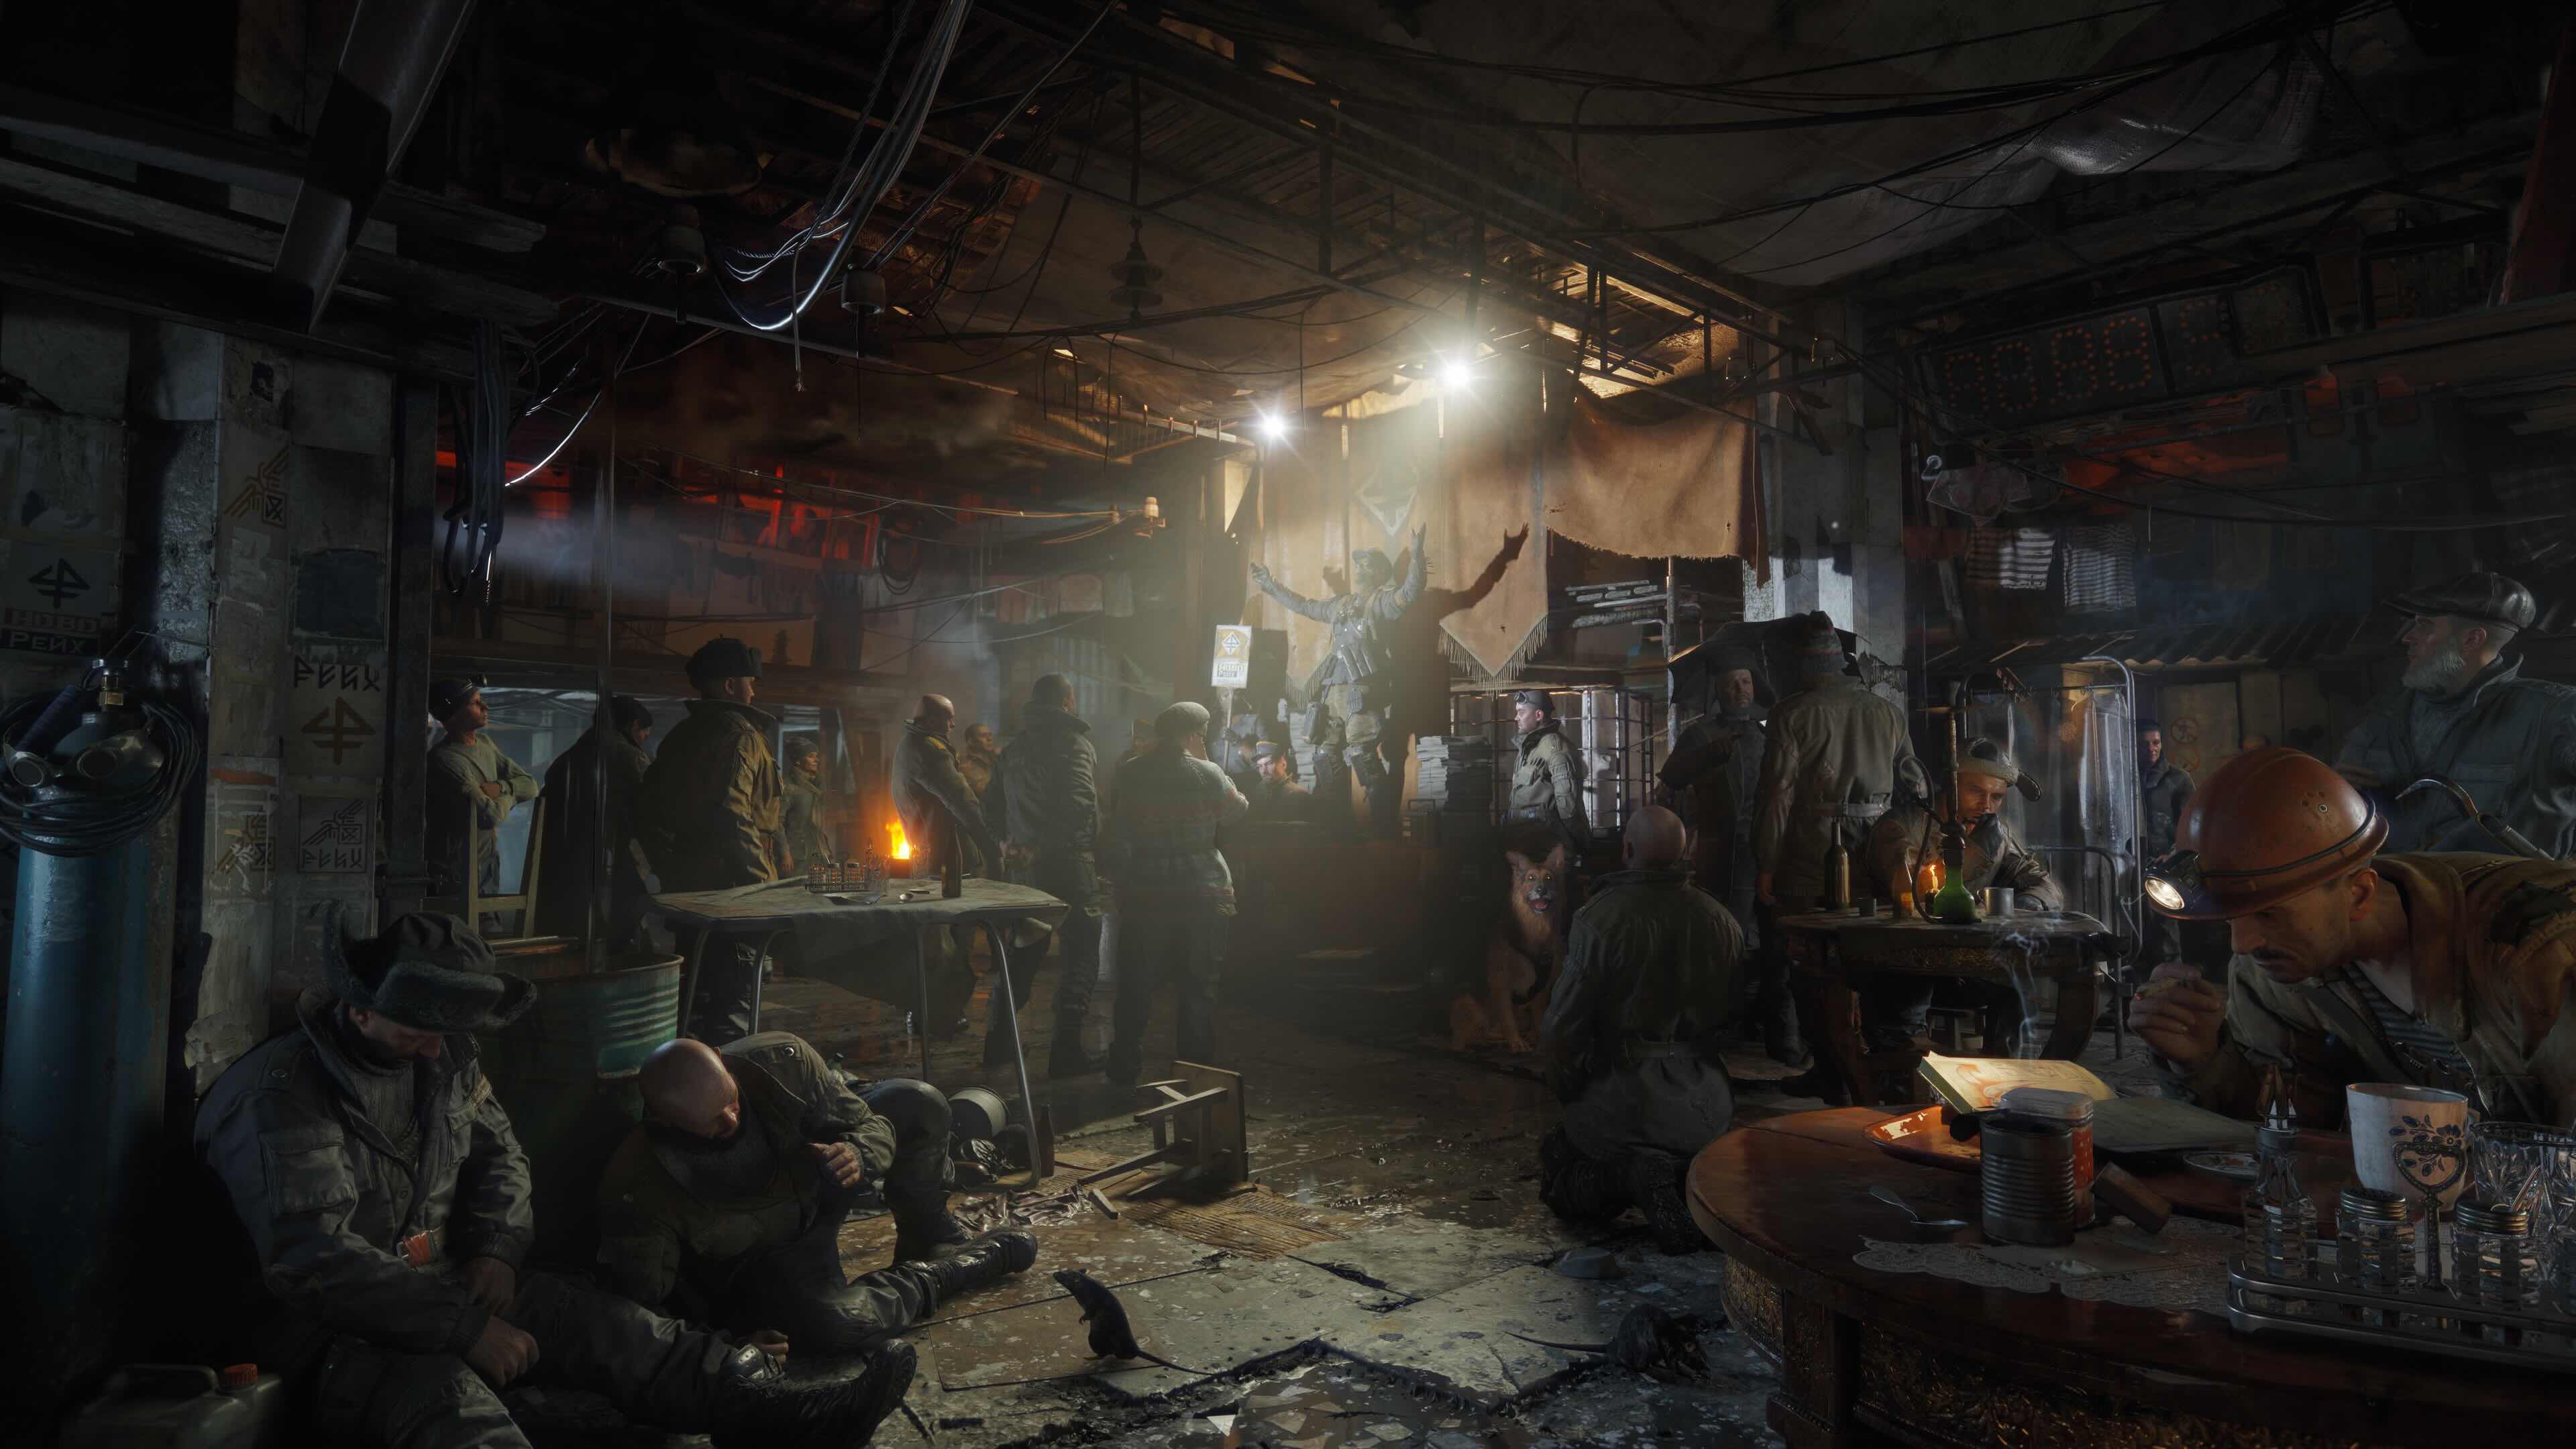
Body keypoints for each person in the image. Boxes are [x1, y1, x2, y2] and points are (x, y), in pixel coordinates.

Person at [195, 912, 914, 1448]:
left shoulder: (442, 1060)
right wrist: (466, 1329)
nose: (437, 1049)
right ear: (360, 1009)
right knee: (448, 1403)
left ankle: (769, 1410)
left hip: (447, 1282)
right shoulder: (280, 1101)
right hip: (328, 1330)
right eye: (419, 1032)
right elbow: (314, 1260)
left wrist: (497, 1249)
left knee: (616, 1329)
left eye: (444, 1033)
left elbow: (501, 1159)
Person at [2131, 747, 2576, 1128]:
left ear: (2359, 893)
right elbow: (2295, 1126)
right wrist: (2205, 1060)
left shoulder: (2539, 947)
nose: (2242, 943)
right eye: (2232, 917)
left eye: (2269, 913)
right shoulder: (2273, 972)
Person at [596, 1034, 1034, 1357]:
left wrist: (858, 1153)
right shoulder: (640, 1185)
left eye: (731, 1101)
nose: (731, 1120)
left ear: (724, 1065)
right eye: (711, 1122)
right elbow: (644, 1310)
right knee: (838, 1325)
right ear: (667, 1122)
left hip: (821, 1192)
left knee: (920, 1102)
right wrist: (726, 1346)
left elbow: (873, 1124)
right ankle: (950, 1271)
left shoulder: (780, 1064)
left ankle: (928, 1235)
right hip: (769, 1264)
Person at [1536, 806, 1741, 1254]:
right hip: (1707, 1106)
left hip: (1625, 1103)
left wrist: (1570, 1087)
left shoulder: (1600, 919)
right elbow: (1737, 1016)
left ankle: (1632, 1175)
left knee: (1560, 1176)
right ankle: (1686, 1175)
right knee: (1688, 1165)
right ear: (1684, 852)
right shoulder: (1721, 919)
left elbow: (1560, 1029)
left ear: (1626, 849)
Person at [1825, 739, 2067, 1101]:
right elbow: (1915, 891)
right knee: (1902, 1037)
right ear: (1950, 785)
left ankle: (2001, 1090)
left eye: (1997, 797)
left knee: (2017, 988)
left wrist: (2028, 905)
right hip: (1897, 964)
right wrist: (1976, 853)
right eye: (1976, 792)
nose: (1987, 805)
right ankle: (1899, 1098)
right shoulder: (1902, 827)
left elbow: (2045, 885)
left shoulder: (1993, 831)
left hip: (1959, 963)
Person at [1752, 614, 1929, 1063]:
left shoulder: (1791, 714)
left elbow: (1777, 797)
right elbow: (1917, 791)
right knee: (1872, 956)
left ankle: (1830, 1065)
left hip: (1809, 859)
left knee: (1811, 961)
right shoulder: (1888, 713)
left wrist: (1767, 864)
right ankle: (1877, 1058)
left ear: (1801, 667)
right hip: (1876, 855)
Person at [2336, 570, 2576, 857]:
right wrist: (2333, 791)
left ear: (2472, 639)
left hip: (2506, 887)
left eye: (2425, 626)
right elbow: (2335, 812)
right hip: (2394, 884)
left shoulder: (2554, 713)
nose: (2408, 637)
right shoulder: (2385, 715)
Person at [640, 637, 784, 1044]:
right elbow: (733, 814)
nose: (753, 691)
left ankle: (691, 1071)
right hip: (733, 891)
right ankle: (725, 1078)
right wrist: (764, 886)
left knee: (694, 998)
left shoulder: (681, 735)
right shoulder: (742, 736)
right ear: (729, 685)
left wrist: (668, 868)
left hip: (690, 889)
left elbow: (648, 808)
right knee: (733, 1004)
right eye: (749, 682)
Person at [1102, 701, 1248, 1085]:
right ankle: (1195, 1075)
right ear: (1195, 735)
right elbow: (1236, 811)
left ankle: (1123, 1066)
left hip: (1147, 892)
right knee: (1199, 987)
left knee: (1136, 982)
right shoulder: (1207, 773)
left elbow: (1119, 833)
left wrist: (1118, 883)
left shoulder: (1132, 772)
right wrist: (1207, 761)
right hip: (1203, 894)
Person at [1248, 526, 1429, 837]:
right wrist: (1270, 584)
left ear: (1379, 573)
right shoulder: (1340, 605)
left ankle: (1383, 829)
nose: (1358, 569)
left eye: (1365, 565)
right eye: (1357, 565)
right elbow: (1303, 605)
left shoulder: (1382, 603)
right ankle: (1335, 826)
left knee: (1363, 757)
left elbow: (1410, 593)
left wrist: (1416, 555)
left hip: (1361, 694)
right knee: (1325, 755)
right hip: (1331, 693)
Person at [984, 675, 1107, 1078]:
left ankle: (997, 1044)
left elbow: (990, 807)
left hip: (1024, 872)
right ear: (1067, 702)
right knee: (1082, 952)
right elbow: (1080, 804)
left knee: (1022, 951)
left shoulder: (1013, 750)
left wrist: (1007, 843)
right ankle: (1065, 1051)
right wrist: (1045, 846)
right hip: (1070, 867)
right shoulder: (1075, 745)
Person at [1658, 647, 1768, 947]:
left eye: (1746, 682)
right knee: (1727, 932)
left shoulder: (1763, 735)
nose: (1741, 689)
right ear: (1718, 690)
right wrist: (1707, 755)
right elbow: (1671, 776)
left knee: (1769, 935)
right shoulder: (1700, 735)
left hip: (1764, 849)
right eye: (1732, 683)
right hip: (1721, 852)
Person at [535, 696, 653, 941]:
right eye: (645, 733)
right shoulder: (629, 756)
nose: (644, 740)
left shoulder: (568, 758)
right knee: (628, 911)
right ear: (633, 725)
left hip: (561, 861)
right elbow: (651, 808)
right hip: (605, 858)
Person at [426, 678, 539, 928]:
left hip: (487, 865)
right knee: (463, 936)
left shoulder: (486, 745)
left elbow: (531, 785)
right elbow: (489, 816)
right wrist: (512, 793)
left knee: (490, 931)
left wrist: (500, 788)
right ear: (454, 713)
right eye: (475, 703)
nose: (485, 707)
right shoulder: (445, 759)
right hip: (456, 873)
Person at [2137, 718, 2193, 965]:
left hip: (2165, 864)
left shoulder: (2179, 779)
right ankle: (2137, 981)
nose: (2151, 749)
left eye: (2156, 743)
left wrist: (2173, 853)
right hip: (2130, 863)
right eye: (2144, 744)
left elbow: (2191, 823)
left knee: (2165, 925)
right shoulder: (2125, 778)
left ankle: (2171, 978)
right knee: (2132, 924)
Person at [1506, 690, 1589, 853]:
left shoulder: (1556, 748)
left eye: (1521, 713)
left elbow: (1569, 807)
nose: (1516, 718)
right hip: (1527, 842)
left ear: (1539, 715)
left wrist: (1578, 846)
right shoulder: (1530, 748)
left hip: (1548, 848)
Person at [779, 735, 833, 874]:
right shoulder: (788, 787)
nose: (816, 760)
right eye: (810, 756)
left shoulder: (816, 786)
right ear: (798, 761)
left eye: (816, 756)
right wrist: (785, 854)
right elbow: (778, 823)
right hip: (797, 857)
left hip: (817, 853)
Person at [1244, 741, 1315, 824]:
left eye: (1269, 764)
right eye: (1260, 766)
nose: (1264, 771)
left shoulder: (1299, 795)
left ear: (1283, 764)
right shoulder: (1259, 790)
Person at [957, 722, 1000, 806]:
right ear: (971, 742)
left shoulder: (996, 758)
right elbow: (987, 794)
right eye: (983, 736)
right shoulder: (965, 764)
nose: (990, 739)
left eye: (990, 735)